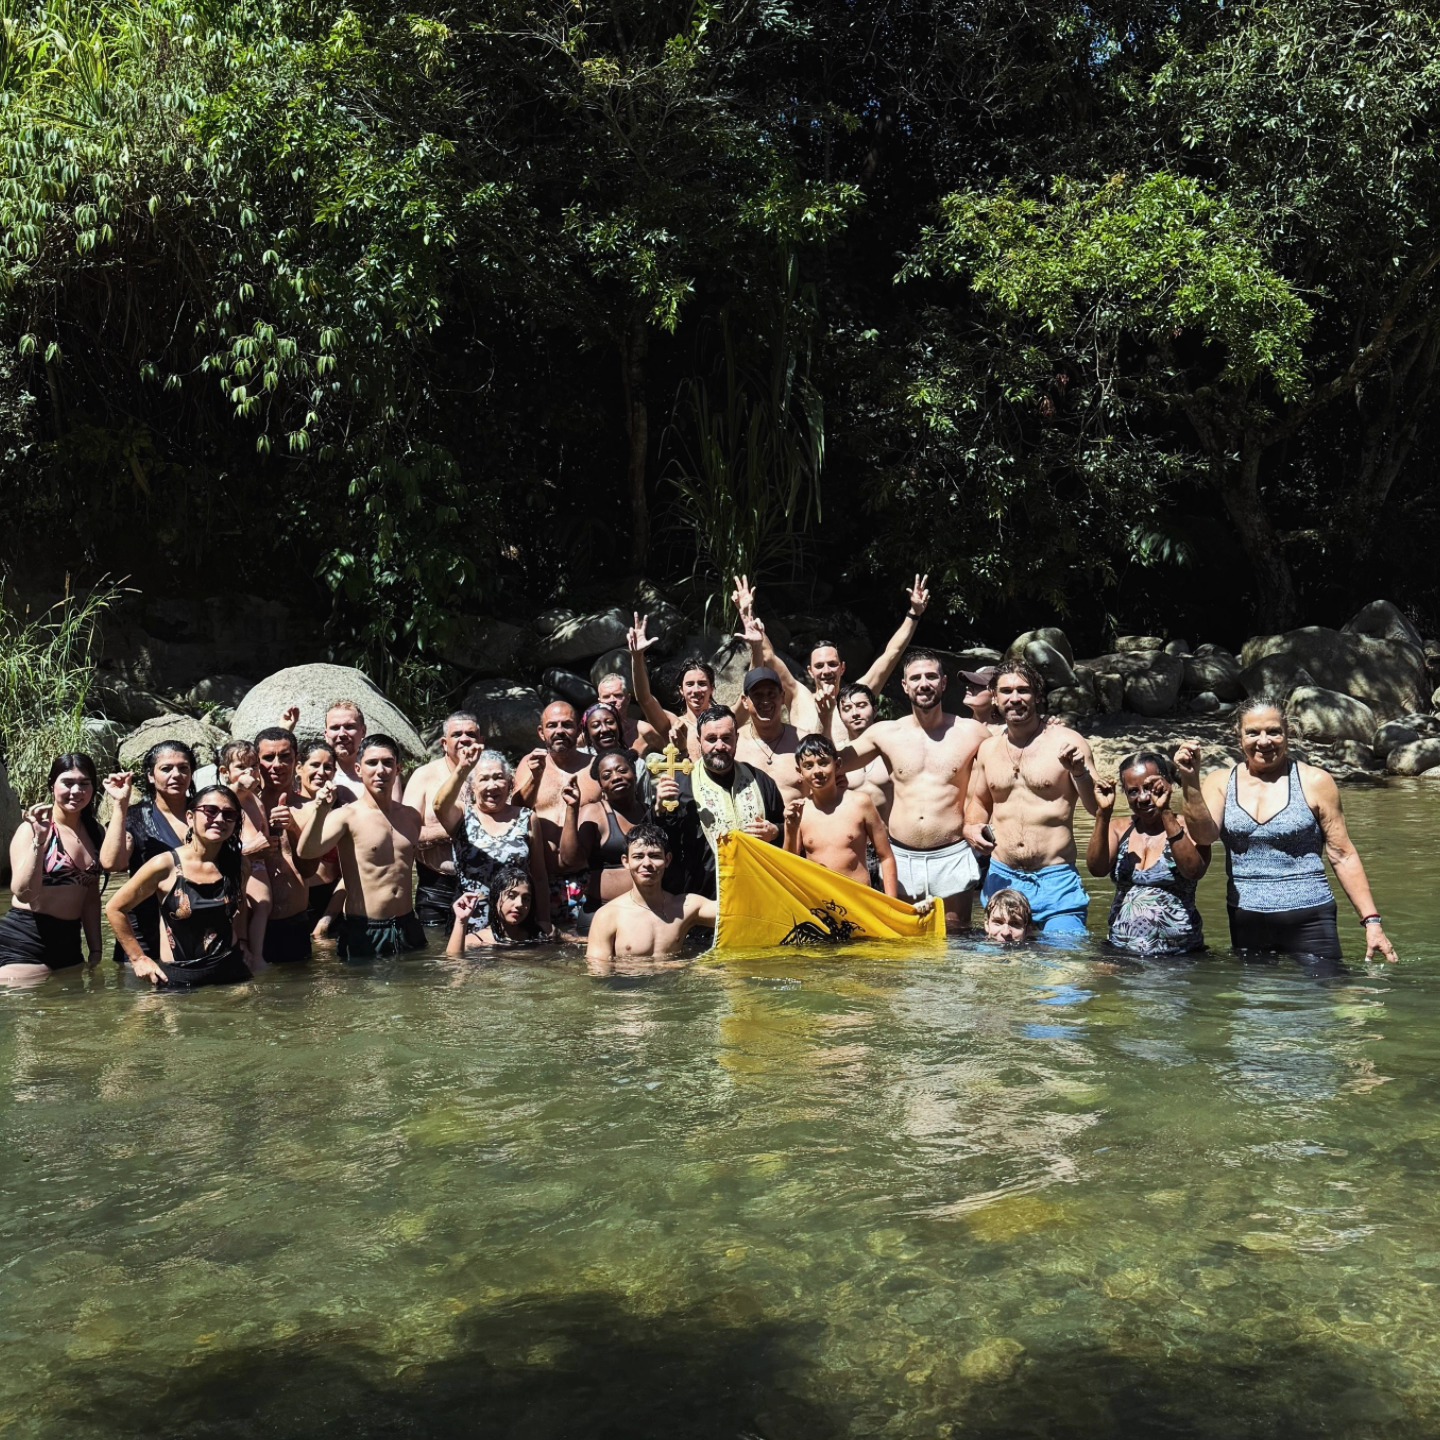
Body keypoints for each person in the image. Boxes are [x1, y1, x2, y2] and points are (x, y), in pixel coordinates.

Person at [1199, 698, 1397, 963]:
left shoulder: (1315, 781)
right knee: (1254, 991)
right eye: (1253, 732)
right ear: (1239, 735)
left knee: (1328, 987)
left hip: (1311, 918)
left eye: (1274, 732)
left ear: (1288, 733)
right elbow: (1203, 837)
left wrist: (1372, 922)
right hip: (1246, 919)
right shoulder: (1220, 782)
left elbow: (1342, 854)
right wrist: (1189, 781)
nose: (1264, 741)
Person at [837, 648, 989, 932]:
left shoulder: (972, 732)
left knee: (957, 937)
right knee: (904, 936)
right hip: (901, 855)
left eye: (931, 676)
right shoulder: (885, 733)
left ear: (943, 683)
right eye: (916, 678)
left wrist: (1045, 727)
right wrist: (823, 716)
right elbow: (831, 763)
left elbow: (1007, 761)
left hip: (951, 852)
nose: (924, 683)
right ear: (905, 685)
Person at [964, 661, 1102, 936]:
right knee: (1002, 964)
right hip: (1003, 878)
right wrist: (971, 827)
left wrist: (1080, 773)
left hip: (1055, 880)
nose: (1014, 698)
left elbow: (1098, 807)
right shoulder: (988, 749)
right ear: (995, 697)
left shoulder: (1067, 742)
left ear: (1037, 696)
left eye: (1023, 690)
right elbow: (978, 803)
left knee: (1064, 959)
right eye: (1006, 691)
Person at [297, 735, 461, 961]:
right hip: (365, 928)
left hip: (407, 924)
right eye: (372, 763)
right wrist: (319, 811)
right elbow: (306, 852)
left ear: (398, 769)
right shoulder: (346, 816)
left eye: (387, 763)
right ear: (358, 769)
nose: (380, 770)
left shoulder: (411, 817)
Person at [732, 573, 932, 745]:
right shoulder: (798, 696)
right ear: (810, 671)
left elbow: (892, 654)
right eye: (819, 666)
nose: (826, 671)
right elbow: (768, 655)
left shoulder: (858, 697)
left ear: (842, 668)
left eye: (832, 664)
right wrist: (747, 615)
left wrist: (914, 614)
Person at [105, 784, 257, 988]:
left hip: (232, 972)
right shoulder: (165, 865)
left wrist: (244, 942)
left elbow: (240, 905)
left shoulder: (239, 864)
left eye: (229, 814)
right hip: (180, 979)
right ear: (190, 817)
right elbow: (115, 908)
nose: (220, 819)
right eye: (210, 811)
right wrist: (138, 958)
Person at [1087, 747, 1211, 956]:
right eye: (1133, 791)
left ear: (1167, 784)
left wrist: (1165, 812)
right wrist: (1103, 813)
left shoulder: (1191, 828)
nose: (1143, 798)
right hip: (1121, 950)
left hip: (1179, 954)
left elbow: (1193, 871)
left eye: (1150, 788)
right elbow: (1096, 869)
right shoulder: (1119, 829)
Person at [652, 704, 785, 899]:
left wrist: (775, 832)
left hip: (759, 893)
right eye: (711, 739)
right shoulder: (680, 785)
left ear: (736, 739)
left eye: (726, 738)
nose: (720, 746)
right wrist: (658, 812)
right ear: (699, 741)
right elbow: (660, 844)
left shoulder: (760, 780)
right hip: (704, 899)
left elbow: (787, 829)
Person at [0, 754, 105, 982]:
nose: (76, 791)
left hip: (69, 943)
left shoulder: (95, 832)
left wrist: (96, 949)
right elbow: (24, 893)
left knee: (73, 1003)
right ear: (52, 785)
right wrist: (39, 841)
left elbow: (90, 898)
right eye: (68, 783)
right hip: (25, 938)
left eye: (84, 783)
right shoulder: (32, 830)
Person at [100, 740, 196, 964]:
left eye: (183, 768)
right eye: (166, 768)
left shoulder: (206, 814)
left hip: (193, 929)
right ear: (151, 776)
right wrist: (120, 804)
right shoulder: (135, 817)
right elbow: (111, 863)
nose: (176, 775)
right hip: (144, 936)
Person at [443, 749, 551, 936]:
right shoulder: (462, 815)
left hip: (517, 923)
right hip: (470, 922)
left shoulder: (526, 817)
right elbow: (439, 805)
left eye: (499, 777)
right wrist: (462, 768)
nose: (492, 785)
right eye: (483, 779)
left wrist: (544, 923)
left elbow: (539, 877)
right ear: (472, 786)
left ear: (509, 783)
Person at [584, 824, 718, 973]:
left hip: (674, 985)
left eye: (655, 856)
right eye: (638, 857)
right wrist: (677, 966)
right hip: (627, 986)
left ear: (667, 860)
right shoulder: (608, 915)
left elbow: (733, 913)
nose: (647, 863)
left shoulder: (686, 907)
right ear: (626, 861)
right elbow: (597, 972)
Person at [783, 735, 898, 895]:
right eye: (808, 766)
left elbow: (886, 857)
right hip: (820, 901)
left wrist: (891, 903)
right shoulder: (799, 811)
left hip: (858, 899)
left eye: (823, 763)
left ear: (837, 765)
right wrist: (791, 829)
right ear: (800, 772)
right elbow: (788, 864)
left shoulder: (860, 803)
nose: (817, 771)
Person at [402, 710, 486, 928]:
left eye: (471, 734)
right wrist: (454, 829)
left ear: (481, 741)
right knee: (435, 946)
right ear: (443, 743)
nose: (464, 739)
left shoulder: (492, 774)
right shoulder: (424, 776)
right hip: (436, 885)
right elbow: (405, 834)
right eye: (457, 734)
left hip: (483, 882)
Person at [511, 701, 593, 923]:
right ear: (541, 732)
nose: (559, 731)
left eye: (567, 724)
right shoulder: (529, 763)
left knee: (587, 940)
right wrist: (535, 778)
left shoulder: (594, 767)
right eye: (552, 725)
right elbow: (516, 812)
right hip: (541, 877)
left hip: (585, 876)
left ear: (579, 729)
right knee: (541, 941)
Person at [251, 726, 318, 964]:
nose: (277, 764)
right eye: (268, 758)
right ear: (256, 762)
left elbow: (309, 869)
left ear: (296, 760)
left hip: (295, 923)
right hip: (251, 923)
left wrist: (292, 827)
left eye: (285, 757)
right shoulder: (241, 809)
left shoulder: (310, 809)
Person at [559, 751, 650, 912]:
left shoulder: (649, 812)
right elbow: (570, 860)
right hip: (602, 910)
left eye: (622, 771)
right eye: (607, 776)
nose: (616, 777)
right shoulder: (593, 813)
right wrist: (572, 808)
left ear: (635, 774)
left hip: (647, 910)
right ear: (601, 785)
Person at [627, 615, 715, 761]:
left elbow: (749, 695)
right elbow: (644, 699)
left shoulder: (725, 719)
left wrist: (755, 646)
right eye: (689, 684)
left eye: (702, 684)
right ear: (681, 690)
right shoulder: (674, 725)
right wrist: (637, 657)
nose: (696, 690)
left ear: (712, 689)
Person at [218, 739, 274, 962]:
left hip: (259, 862)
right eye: (241, 767)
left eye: (254, 766)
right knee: (246, 907)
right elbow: (230, 795)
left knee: (263, 905)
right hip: (239, 863)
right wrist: (241, 785)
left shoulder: (256, 800)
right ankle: (249, 953)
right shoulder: (227, 797)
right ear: (225, 772)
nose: (249, 772)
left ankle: (254, 953)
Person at [292, 741, 345, 930]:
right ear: (299, 768)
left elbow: (350, 873)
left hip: (329, 902)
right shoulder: (286, 808)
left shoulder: (341, 813)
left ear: (334, 772)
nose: (321, 772)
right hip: (291, 906)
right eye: (314, 765)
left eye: (328, 767)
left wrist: (327, 919)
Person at [734, 666, 804, 804]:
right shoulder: (734, 744)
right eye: (757, 695)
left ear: (782, 697)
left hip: (799, 817)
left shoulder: (803, 741)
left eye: (771, 694)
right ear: (744, 701)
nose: (765, 701)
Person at [446, 866, 541, 952]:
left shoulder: (540, 936)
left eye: (526, 899)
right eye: (511, 896)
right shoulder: (475, 941)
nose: (519, 904)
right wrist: (461, 921)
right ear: (496, 898)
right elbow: (454, 962)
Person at [325, 700, 403, 802]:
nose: (342, 734)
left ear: (363, 731)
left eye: (349, 727)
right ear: (326, 734)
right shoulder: (317, 773)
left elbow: (394, 810)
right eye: (335, 728)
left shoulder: (383, 772)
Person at [594, 673, 650, 753]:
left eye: (617, 695)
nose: (612, 700)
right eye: (606, 697)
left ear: (628, 699)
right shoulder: (589, 735)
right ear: (600, 703)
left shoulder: (644, 731)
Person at [960, 666, 1003, 733]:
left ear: (996, 696)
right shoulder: (958, 727)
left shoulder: (1007, 733)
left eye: (978, 685)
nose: (968, 687)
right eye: (970, 683)